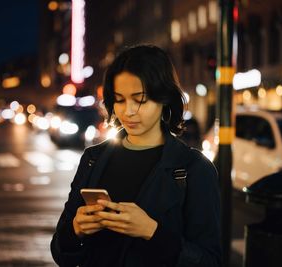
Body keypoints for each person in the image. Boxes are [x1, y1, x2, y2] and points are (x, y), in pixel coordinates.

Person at [50, 44, 221, 267]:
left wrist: (151, 231)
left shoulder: (193, 168)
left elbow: (209, 261)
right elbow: (59, 250)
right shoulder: (94, 159)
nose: (128, 111)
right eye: (119, 99)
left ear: (164, 98)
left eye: (140, 99)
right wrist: (76, 231)